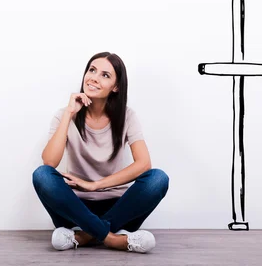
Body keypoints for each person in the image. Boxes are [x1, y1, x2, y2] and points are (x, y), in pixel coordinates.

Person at [32, 52, 169, 253]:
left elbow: (143, 164)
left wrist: (95, 185)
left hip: (118, 207)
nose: (94, 77)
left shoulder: (127, 116)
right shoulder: (65, 114)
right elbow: (49, 162)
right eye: (92, 70)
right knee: (42, 175)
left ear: (116, 87)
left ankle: (83, 236)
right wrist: (69, 114)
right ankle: (113, 239)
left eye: (105, 75)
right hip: (75, 208)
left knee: (158, 179)